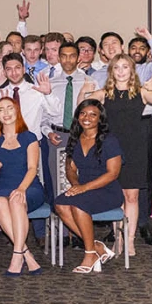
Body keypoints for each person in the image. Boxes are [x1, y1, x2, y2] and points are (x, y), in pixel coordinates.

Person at [79, 55, 152, 255]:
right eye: (117, 67)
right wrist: (84, 91)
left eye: (125, 67)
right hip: (111, 149)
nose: (121, 71)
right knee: (117, 196)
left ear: (131, 70)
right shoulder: (104, 94)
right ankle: (118, 236)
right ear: (111, 71)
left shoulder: (142, 92)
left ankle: (129, 240)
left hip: (135, 148)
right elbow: (82, 106)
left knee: (132, 196)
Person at [53, 99, 123, 273]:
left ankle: (90, 253)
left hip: (108, 190)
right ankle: (96, 246)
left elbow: (112, 174)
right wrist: (76, 185)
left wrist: (83, 188)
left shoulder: (109, 140)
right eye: (83, 113)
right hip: (84, 188)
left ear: (100, 119)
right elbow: (70, 168)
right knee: (60, 204)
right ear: (77, 116)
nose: (87, 118)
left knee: (78, 205)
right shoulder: (75, 138)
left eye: (93, 115)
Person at [0, 98, 45, 276]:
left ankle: (17, 255)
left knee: (17, 201)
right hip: (3, 185)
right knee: (0, 203)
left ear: (17, 111)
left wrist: (21, 189)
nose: (6, 113)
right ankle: (26, 254)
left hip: (29, 185)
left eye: (10, 108)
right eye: (1, 110)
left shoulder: (30, 137)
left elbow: (32, 169)